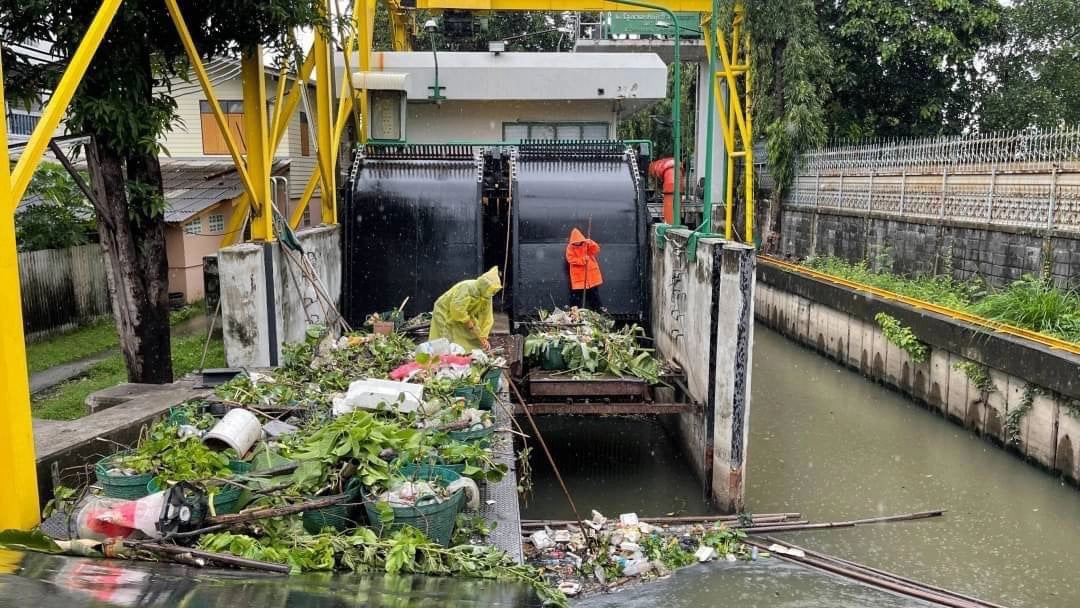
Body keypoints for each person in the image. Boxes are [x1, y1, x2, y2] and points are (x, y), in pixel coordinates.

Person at [430, 266, 502, 351]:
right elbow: (457, 308)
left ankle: (464, 352)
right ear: (485, 285)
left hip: (464, 313)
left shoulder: (487, 295)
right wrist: (467, 321)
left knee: (470, 335)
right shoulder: (467, 287)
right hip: (445, 310)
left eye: (494, 292)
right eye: (492, 291)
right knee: (445, 336)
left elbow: (487, 316)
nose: (493, 294)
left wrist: (483, 336)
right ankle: (443, 356)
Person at [566, 228, 603, 308]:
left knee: (594, 296)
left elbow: (596, 250)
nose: (577, 243)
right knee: (576, 297)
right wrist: (582, 260)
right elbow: (571, 259)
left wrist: (591, 243)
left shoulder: (587, 244)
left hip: (590, 276)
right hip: (579, 276)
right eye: (575, 242)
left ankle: (599, 311)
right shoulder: (570, 248)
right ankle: (575, 314)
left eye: (578, 241)